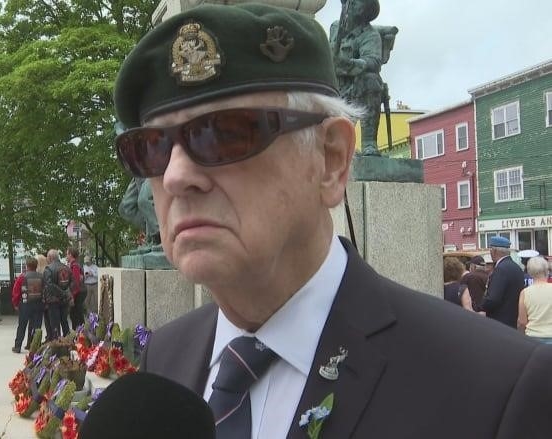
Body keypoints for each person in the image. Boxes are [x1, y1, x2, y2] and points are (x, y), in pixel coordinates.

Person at [113, 3, 552, 437]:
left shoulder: (497, 389)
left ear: (332, 160)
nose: (174, 176)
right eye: (150, 147)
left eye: (223, 133)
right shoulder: (166, 359)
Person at [329, 0, 387, 156]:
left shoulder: (370, 35)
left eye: (358, 1)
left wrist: (347, 64)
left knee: (371, 80)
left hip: (356, 86)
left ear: (367, 9)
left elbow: (373, 61)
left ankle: (369, 142)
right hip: (333, 85)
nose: (352, 2)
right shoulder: (335, 27)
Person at [482, 236, 525, 327]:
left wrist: (481, 305)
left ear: (494, 251)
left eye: (490, 250)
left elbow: (493, 299)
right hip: (513, 319)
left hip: (500, 321)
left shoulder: (500, 269)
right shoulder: (517, 268)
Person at [11, 258, 44, 353]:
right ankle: (33, 345)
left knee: (22, 325)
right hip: (38, 304)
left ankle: (17, 346)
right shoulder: (41, 277)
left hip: (25, 304)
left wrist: (15, 303)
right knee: (36, 326)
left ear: (27, 266)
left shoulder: (22, 277)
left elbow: (16, 291)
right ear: (36, 266)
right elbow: (45, 290)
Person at [517, 256, 552, 344]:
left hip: (532, 338)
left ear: (529, 272)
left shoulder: (525, 293)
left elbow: (522, 322)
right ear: (547, 270)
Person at [42, 249, 71, 340]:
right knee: (64, 321)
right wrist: (65, 293)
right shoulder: (66, 268)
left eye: (47, 257)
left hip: (53, 300)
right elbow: (72, 283)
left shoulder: (48, 269)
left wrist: (61, 293)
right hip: (65, 300)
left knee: (55, 323)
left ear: (50, 257)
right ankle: (68, 341)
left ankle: (56, 342)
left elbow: (49, 285)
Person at [66, 247, 86, 328]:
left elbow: (75, 282)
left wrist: (72, 297)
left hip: (78, 292)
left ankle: (78, 334)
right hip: (79, 291)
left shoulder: (75, 265)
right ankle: (82, 333)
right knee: (78, 314)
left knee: (75, 315)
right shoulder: (74, 265)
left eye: (67, 254)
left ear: (70, 254)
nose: (66, 256)